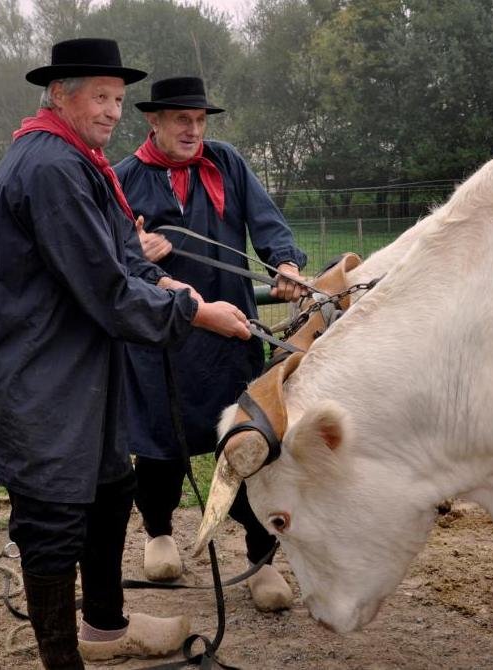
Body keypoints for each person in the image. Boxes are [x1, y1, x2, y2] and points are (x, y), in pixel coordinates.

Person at [0, 40, 251, 670]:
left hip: (72, 363)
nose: (113, 111)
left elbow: (119, 254)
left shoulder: (76, 159)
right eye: (100, 97)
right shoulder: (52, 168)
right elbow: (108, 289)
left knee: (112, 486)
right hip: (34, 369)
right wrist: (197, 314)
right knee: (53, 517)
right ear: (61, 95)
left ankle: (107, 627)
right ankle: (63, 661)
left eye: (118, 98)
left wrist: (166, 283)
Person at [114, 76, 309, 612]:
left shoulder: (227, 162)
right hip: (160, 343)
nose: (193, 130)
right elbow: (107, 257)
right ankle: (159, 533)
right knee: (159, 447)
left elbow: (266, 221)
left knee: (250, 446)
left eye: (200, 120)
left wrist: (286, 264)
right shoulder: (122, 178)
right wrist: (134, 252)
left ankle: (261, 559)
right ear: (153, 121)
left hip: (231, 337)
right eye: (182, 120)